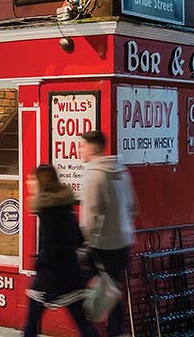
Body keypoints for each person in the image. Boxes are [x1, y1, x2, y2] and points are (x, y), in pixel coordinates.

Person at [24, 165, 98, 337]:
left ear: (41, 183)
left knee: (32, 321)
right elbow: (79, 238)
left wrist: (39, 262)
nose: (28, 182)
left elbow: (50, 249)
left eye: (32, 179)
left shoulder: (47, 211)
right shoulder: (66, 207)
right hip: (71, 275)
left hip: (50, 278)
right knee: (82, 322)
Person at [79, 130, 138, 337]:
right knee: (113, 292)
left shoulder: (94, 176)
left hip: (101, 246)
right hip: (123, 242)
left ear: (93, 148)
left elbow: (90, 218)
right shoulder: (121, 171)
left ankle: (89, 331)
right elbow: (133, 207)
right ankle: (115, 332)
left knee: (76, 287)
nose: (80, 149)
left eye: (83, 145)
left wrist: (85, 245)